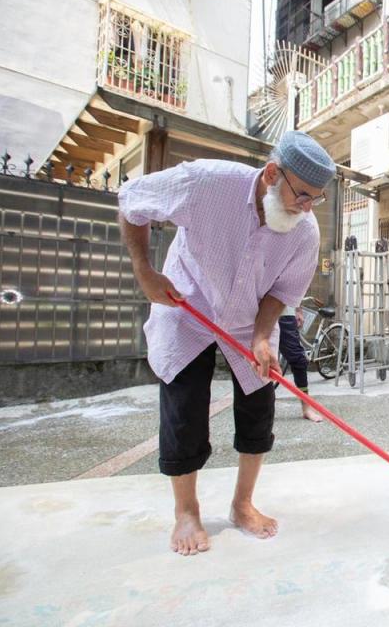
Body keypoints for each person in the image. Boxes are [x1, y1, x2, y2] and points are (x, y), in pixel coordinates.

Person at [119, 131, 335, 556]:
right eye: (303, 195)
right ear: (273, 174)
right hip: (187, 302)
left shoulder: (303, 231)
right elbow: (131, 200)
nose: (307, 208)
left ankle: (242, 505)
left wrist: (259, 336)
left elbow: (283, 292)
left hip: (247, 317)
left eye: (316, 200)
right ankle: (186, 511)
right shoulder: (206, 183)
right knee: (184, 407)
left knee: (259, 407)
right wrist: (144, 270)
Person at [278, 303, 323, 422]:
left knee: (299, 360)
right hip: (255, 312)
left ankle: (306, 407)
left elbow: (293, 286)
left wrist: (298, 309)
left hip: (284, 313)